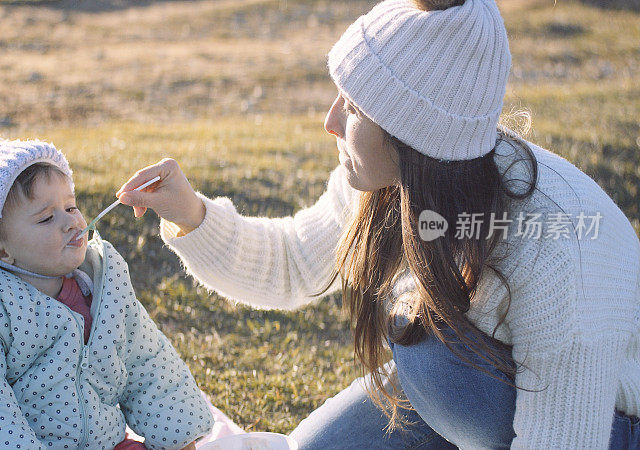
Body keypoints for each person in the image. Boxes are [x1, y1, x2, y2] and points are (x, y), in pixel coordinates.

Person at [114, 0, 640, 448]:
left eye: (356, 108)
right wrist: (191, 215)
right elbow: (294, 263)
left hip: (601, 420)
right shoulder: (394, 184)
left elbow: (568, 436)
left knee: (433, 359)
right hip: (474, 384)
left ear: (412, 135)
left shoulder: (556, 248)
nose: (331, 121)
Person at [0, 139, 213, 450]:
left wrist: (178, 434)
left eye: (71, 206)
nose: (71, 221)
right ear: (0, 249)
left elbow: (147, 359)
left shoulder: (103, 287)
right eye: (47, 217)